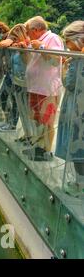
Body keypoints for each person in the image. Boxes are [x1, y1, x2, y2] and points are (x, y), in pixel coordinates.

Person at [23, 16, 64, 161]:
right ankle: (39, 147)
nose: (27, 35)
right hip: (37, 86)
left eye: (28, 32)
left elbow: (56, 59)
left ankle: (47, 152)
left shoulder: (52, 38)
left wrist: (41, 47)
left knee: (47, 120)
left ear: (36, 30)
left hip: (47, 88)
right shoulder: (39, 40)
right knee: (38, 118)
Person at [55, 21, 84, 193]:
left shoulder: (77, 60)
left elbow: (69, 83)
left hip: (77, 106)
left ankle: (80, 185)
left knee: (77, 144)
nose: (67, 45)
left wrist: (64, 67)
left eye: (68, 41)